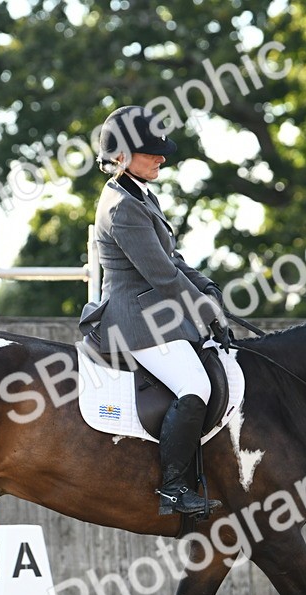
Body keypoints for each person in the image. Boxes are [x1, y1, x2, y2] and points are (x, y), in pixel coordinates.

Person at [79, 105, 229, 517]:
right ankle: (173, 488)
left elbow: (173, 259)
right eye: (152, 151)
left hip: (157, 313)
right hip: (132, 320)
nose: (162, 157)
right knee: (194, 386)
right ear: (122, 155)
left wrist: (206, 288)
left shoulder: (140, 193)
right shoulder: (120, 207)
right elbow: (162, 275)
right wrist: (206, 313)